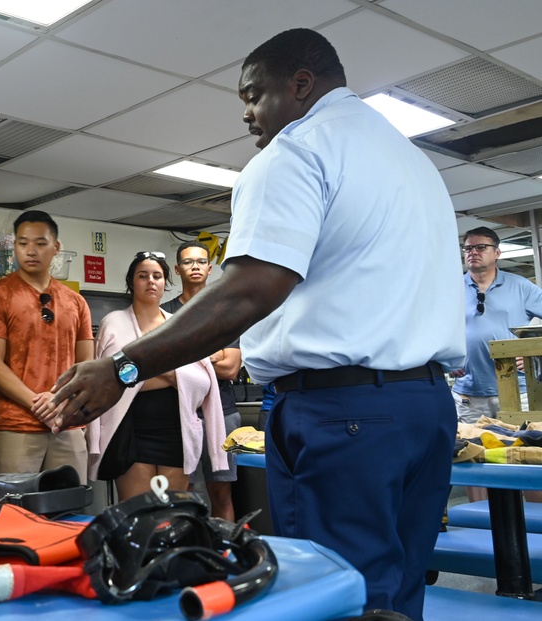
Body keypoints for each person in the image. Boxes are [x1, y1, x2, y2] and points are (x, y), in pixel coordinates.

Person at [44, 28, 464, 620]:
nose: (246, 114)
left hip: (343, 418)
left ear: (300, 84)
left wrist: (123, 366)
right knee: (397, 591)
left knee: (338, 594)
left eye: (252, 94)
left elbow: (247, 292)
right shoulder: (411, 160)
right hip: (424, 409)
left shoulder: (297, 150)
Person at [88, 251, 227, 501]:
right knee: (136, 513)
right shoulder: (114, 323)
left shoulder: (181, 325)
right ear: (132, 282)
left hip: (176, 432)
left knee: (171, 515)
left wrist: (139, 368)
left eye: (157, 276)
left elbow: (201, 384)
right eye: (143, 276)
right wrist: (173, 372)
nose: (151, 281)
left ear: (165, 283)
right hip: (130, 432)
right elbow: (107, 379)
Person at [0, 210, 93, 479]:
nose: (31, 251)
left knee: (68, 508)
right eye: (23, 243)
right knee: (14, 510)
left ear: (56, 248)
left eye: (40, 243)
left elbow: (87, 365)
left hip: (67, 424)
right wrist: (38, 403)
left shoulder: (76, 301)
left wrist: (60, 402)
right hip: (14, 427)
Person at [451, 226, 542, 503]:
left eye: (480, 247)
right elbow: (438, 330)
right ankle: (483, 523)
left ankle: (536, 529)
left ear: (497, 253)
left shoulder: (520, 286)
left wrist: (531, 353)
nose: (473, 253)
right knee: (471, 456)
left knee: (527, 456)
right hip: (469, 393)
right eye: (468, 248)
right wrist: (447, 358)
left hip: (518, 390)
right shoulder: (452, 289)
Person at [162, 240, 241, 520]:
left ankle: (225, 554)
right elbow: (162, 364)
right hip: (179, 413)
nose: (194, 266)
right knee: (184, 492)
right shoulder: (164, 314)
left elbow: (231, 368)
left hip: (224, 413)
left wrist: (187, 359)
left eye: (200, 261)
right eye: (187, 262)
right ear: (177, 269)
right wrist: (213, 354)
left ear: (209, 268)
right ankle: (189, 555)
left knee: (221, 492)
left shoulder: (225, 311)